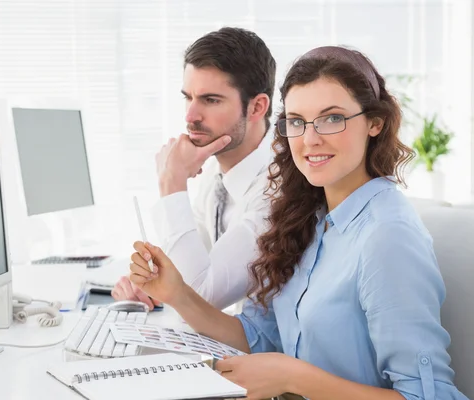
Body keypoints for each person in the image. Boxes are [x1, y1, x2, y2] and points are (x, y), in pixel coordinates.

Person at [127, 46, 467, 399]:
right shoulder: (310, 218)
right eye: (297, 121)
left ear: (374, 122)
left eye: (332, 118)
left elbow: (431, 396)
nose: (309, 139)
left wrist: (293, 377)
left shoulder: (387, 236)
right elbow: (259, 336)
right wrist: (178, 294)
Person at [111, 27, 277, 310]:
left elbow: (202, 297)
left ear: (257, 107)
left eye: (210, 100)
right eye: (188, 97)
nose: (190, 116)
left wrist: (172, 182)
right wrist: (151, 288)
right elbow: (191, 269)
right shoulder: (216, 172)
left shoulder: (278, 189)